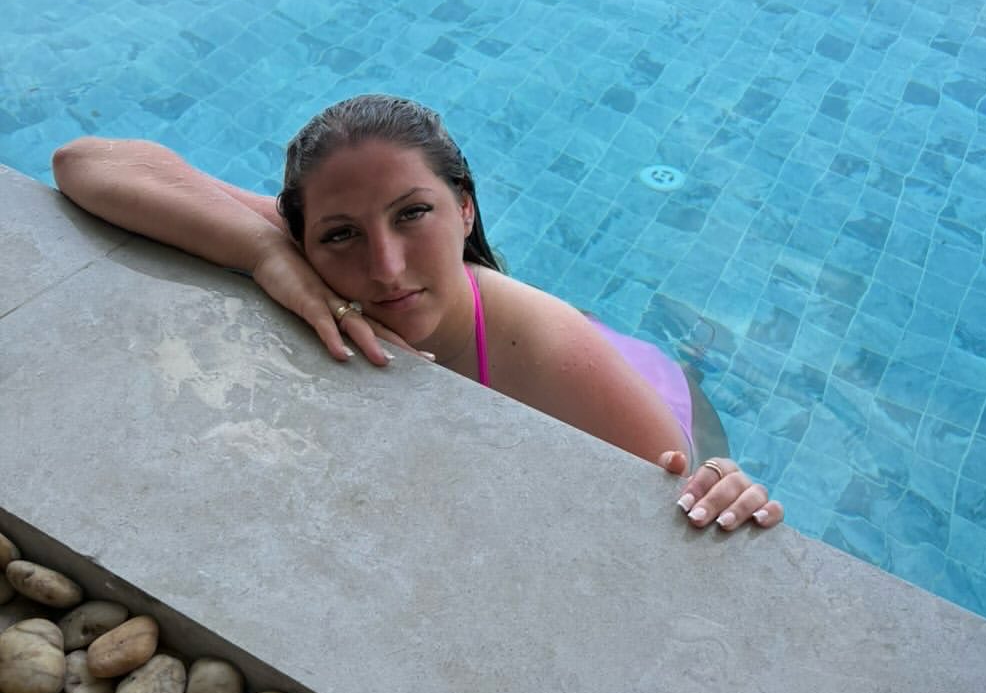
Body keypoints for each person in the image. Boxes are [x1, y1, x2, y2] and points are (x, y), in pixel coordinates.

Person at [53, 94, 783, 534]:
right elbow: (84, 161)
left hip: (649, 391)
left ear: (464, 208)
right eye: (341, 235)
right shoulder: (301, 251)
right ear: (301, 236)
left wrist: (724, 485)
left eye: (413, 214)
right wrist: (264, 255)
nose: (385, 267)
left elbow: (680, 497)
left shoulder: (552, 349)